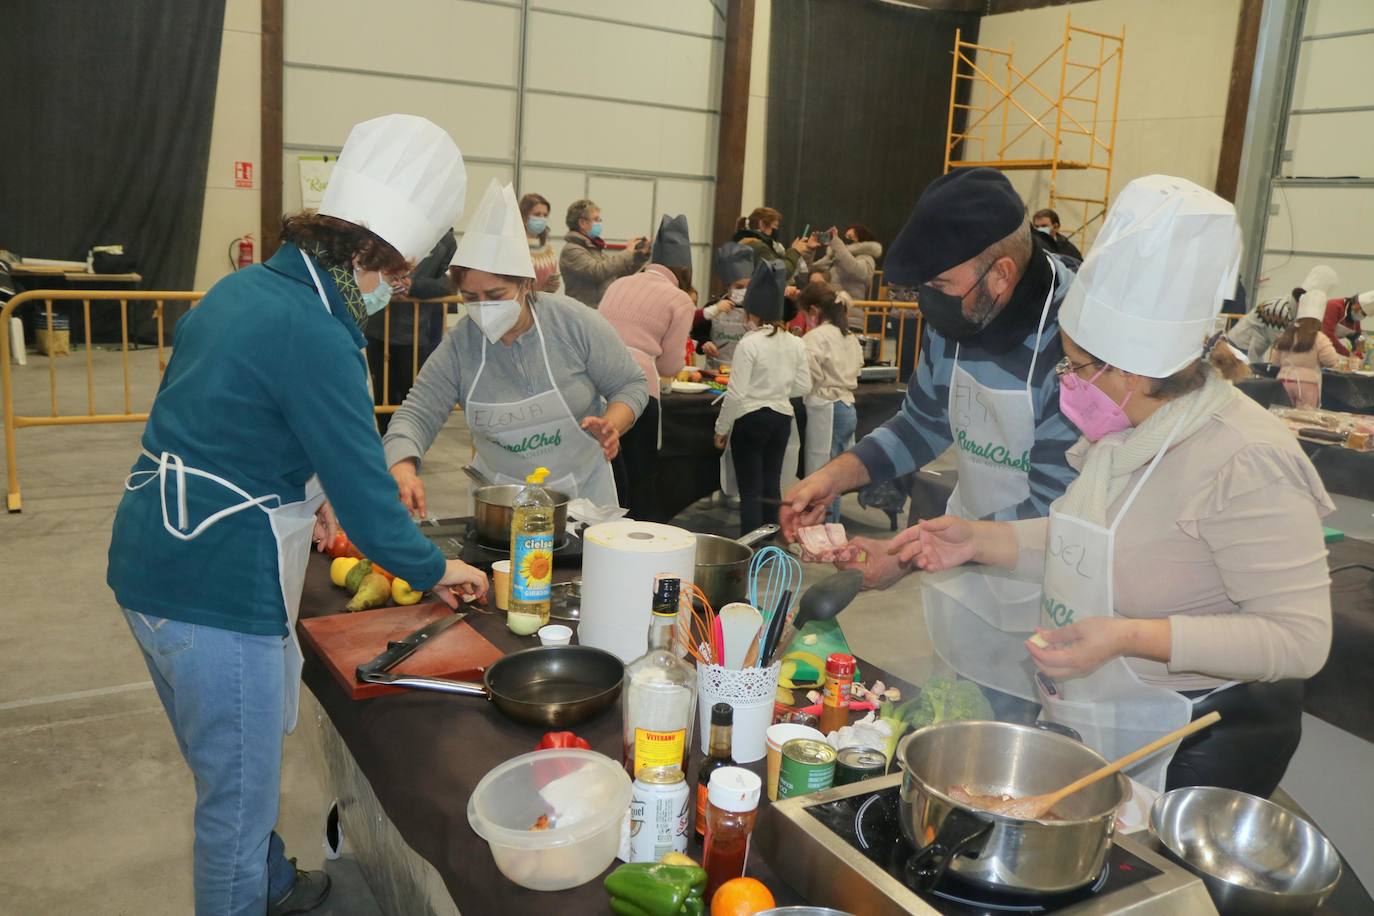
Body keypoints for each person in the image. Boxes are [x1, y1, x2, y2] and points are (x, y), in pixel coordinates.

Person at [107, 115, 489, 916]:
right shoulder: (316, 332)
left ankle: (272, 883)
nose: (397, 290)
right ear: (362, 257)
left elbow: (231, 419)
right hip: (217, 581)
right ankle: (250, 888)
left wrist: (305, 498)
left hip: (151, 558)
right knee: (236, 811)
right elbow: (373, 508)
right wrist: (436, 566)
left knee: (228, 776)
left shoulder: (242, 291)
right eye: (399, 272)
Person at [892, 175, 1333, 797]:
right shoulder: (1127, 433)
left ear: (1133, 370)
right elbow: (1088, 538)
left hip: (1203, 731)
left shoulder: (1245, 457)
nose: (1066, 382)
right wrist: (977, 540)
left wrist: (1130, 636)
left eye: (1076, 367)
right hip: (1107, 705)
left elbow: (1300, 640)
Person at [780, 167, 1080, 711]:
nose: (928, 305)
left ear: (1002, 274)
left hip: (1059, 586)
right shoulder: (959, 320)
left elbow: (1056, 506)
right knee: (966, 721)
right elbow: (920, 424)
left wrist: (908, 555)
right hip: (968, 562)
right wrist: (833, 477)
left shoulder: (1077, 342)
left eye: (940, 287)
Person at [385, 180, 648, 511]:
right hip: (498, 506)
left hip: (582, 500)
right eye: (470, 298)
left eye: (495, 296)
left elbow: (630, 383)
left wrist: (613, 423)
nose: (483, 306)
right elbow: (416, 413)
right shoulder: (460, 346)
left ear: (525, 284)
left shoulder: (573, 323)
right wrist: (402, 466)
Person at [600, 214, 696, 520]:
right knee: (639, 477)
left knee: (607, 470)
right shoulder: (679, 299)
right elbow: (670, 365)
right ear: (684, 270)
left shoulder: (619, 284)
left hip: (598, 383)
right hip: (640, 388)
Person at [715, 260, 811, 536]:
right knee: (771, 485)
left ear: (752, 312)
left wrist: (721, 429)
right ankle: (770, 544)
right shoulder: (796, 342)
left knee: (750, 490)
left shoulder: (750, 343)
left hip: (750, 417)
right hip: (781, 418)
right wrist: (778, 390)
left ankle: (749, 545)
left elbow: (735, 393)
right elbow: (803, 385)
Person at [366, 230, 457, 434]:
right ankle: (385, 448)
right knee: (381, 392)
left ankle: (407, 446)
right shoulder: (390, 225)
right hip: (377, 326)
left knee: (412, 395)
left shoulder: (445, 240)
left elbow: (451, 282)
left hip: (417, 332)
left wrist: (414, 286)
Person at [799, 281, 863, 521]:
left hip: (828, 408)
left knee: (823, 475)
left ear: (813, 311)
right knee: (836, 474)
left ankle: (824, 527)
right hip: (847, 405)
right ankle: (830, 524)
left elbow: (808, 377)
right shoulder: (849, 336)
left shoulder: (815, 338)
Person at [558, 197, 649, 307]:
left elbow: (616, 274)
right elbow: (598, 271)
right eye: (596, 219)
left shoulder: (593, 247)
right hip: (582, 313)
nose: (600, 223)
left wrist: (638, 256)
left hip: (598, 311)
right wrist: (628, 252)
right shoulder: (572, 250)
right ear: (582, 223)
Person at [1270, 286, 1342, 408]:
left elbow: (1274, 361)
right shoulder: (1319, 337)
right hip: (1308, 385)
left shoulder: (1286, 334)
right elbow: (1331, 361)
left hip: (1283, 383)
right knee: (1304, 420)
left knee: (1282, 418)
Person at [696, 242, 754, 369]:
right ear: (727, 286)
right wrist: (705, 343)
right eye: (739, 287)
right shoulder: (713, 307)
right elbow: (698, 335)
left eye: (748, 286)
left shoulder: (757, 310)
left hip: (746, 374)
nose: (744, 290)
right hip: (715, 372)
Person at [733, 206, 812, 278]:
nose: (776, 231)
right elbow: (779, 272)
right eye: (775, 226)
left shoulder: (749, 244)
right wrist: (795, 251)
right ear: (762, 224)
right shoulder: (757, 247)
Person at [809, 224, 883, 301]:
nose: (845, 239)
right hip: (829, 306)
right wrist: (809, 250)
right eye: (845, 236)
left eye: (850, 237)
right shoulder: (835, 255)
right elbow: (807, 272)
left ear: (861, 240)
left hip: (850, 308)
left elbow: (856, 270)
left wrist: (836, 242)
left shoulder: (867, 258)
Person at [520, 192, 561, 294]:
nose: (542, 219)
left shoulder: (548, 249)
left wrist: (552, 286)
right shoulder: (517, 248)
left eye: (545, 215)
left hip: (544, 303)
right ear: (525, 217)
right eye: (537, 214)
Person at [1323, 289, 1372, 356]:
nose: (1363, 316)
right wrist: (1348, 354)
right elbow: (1328, 335)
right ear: (1356, 305)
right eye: (1363, 313)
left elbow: (1358, 335)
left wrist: (1359, 351)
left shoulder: (1354, 316)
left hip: (1327, 348)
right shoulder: (1334, 306)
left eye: (1365, 315)